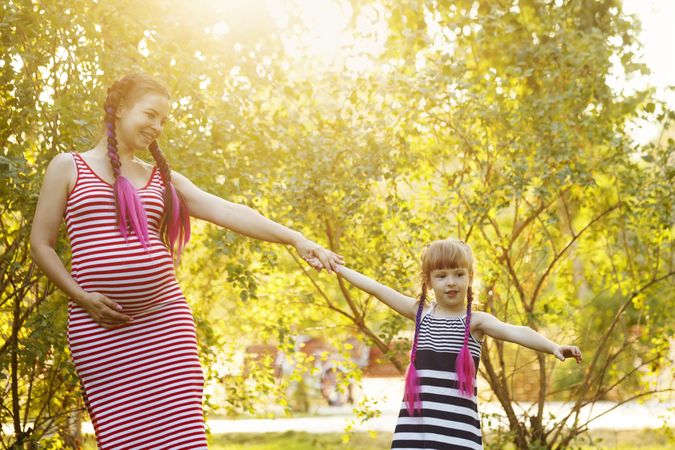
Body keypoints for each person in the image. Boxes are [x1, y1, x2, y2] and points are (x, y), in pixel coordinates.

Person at [29, 72, 343, 449]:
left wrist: (296, 239)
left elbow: (227, 209)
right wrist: (81, 296)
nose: (157, 127)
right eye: (150, 115)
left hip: (165, 324)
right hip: (100, 328)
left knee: (183, 437)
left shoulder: (161, 178)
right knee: (122, 438)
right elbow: (40, 245)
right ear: (120, 109)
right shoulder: (68, 167)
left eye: (163, 120)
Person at [333, 238, 581, 450]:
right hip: (416, 433)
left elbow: (516, 331)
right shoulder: (420, 314)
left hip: (458, 434)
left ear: (470, 277)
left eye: (458, 274)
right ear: (429, 281)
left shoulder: (475, 322)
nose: (451, 282)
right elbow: (376, 288)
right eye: (441, 276)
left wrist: (553, 347)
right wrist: (336, 267)